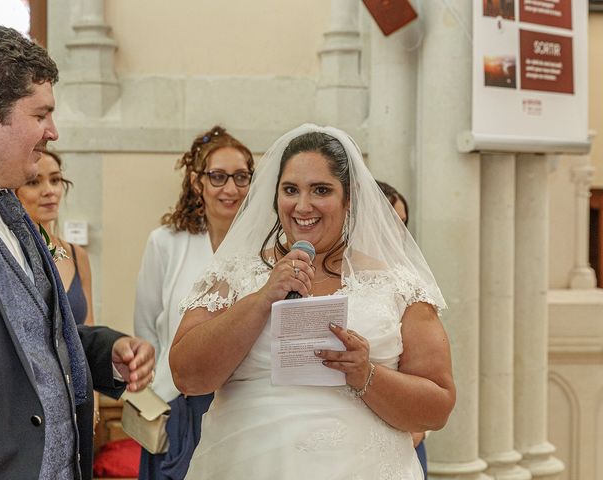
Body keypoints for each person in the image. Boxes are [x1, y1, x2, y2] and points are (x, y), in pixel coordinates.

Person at [170, 124, 455, 479]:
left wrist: (365, 373)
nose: (302, 206)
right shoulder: (233, 274)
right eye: (291, 190)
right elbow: (187, 376)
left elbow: (436, 408)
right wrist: (262, 299)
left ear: (348, 199)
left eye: (321, 190)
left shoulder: (396, 283)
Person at [0, 23, 155, 480]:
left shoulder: (12, 213)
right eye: (41, 115)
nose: (53, 132)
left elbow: (36, 335)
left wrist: (106, 351)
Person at [134, 125, 254, 479]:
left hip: (242, 408)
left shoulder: (266, 249)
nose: (230, 189)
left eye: (241, 177)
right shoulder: (166, 243)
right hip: (177, 404)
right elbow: (146, 329)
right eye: (218, 177)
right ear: (197, 181)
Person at [377, 179, 428, 478]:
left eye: (403, 223)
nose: (399, 233)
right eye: (391, 222)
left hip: (409, 427)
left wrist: (418, 428)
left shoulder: (409, 281)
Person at [16, 150, 93, 325]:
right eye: (34, 182)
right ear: (14, 192)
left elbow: (90, 332)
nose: (49, 191)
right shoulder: (8, 252)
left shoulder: (77, 255)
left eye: (55, 180)